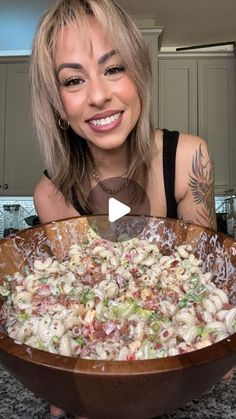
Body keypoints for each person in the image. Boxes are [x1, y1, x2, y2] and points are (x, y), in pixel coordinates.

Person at [30, 0, 222, 417]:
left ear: (138, 72)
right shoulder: (51, 195)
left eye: (113, 68)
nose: (99, 95)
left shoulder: (189, 160)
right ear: (57, 103)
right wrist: (68, 380)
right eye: (73, 80)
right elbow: (82, 312)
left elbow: (213, 284)